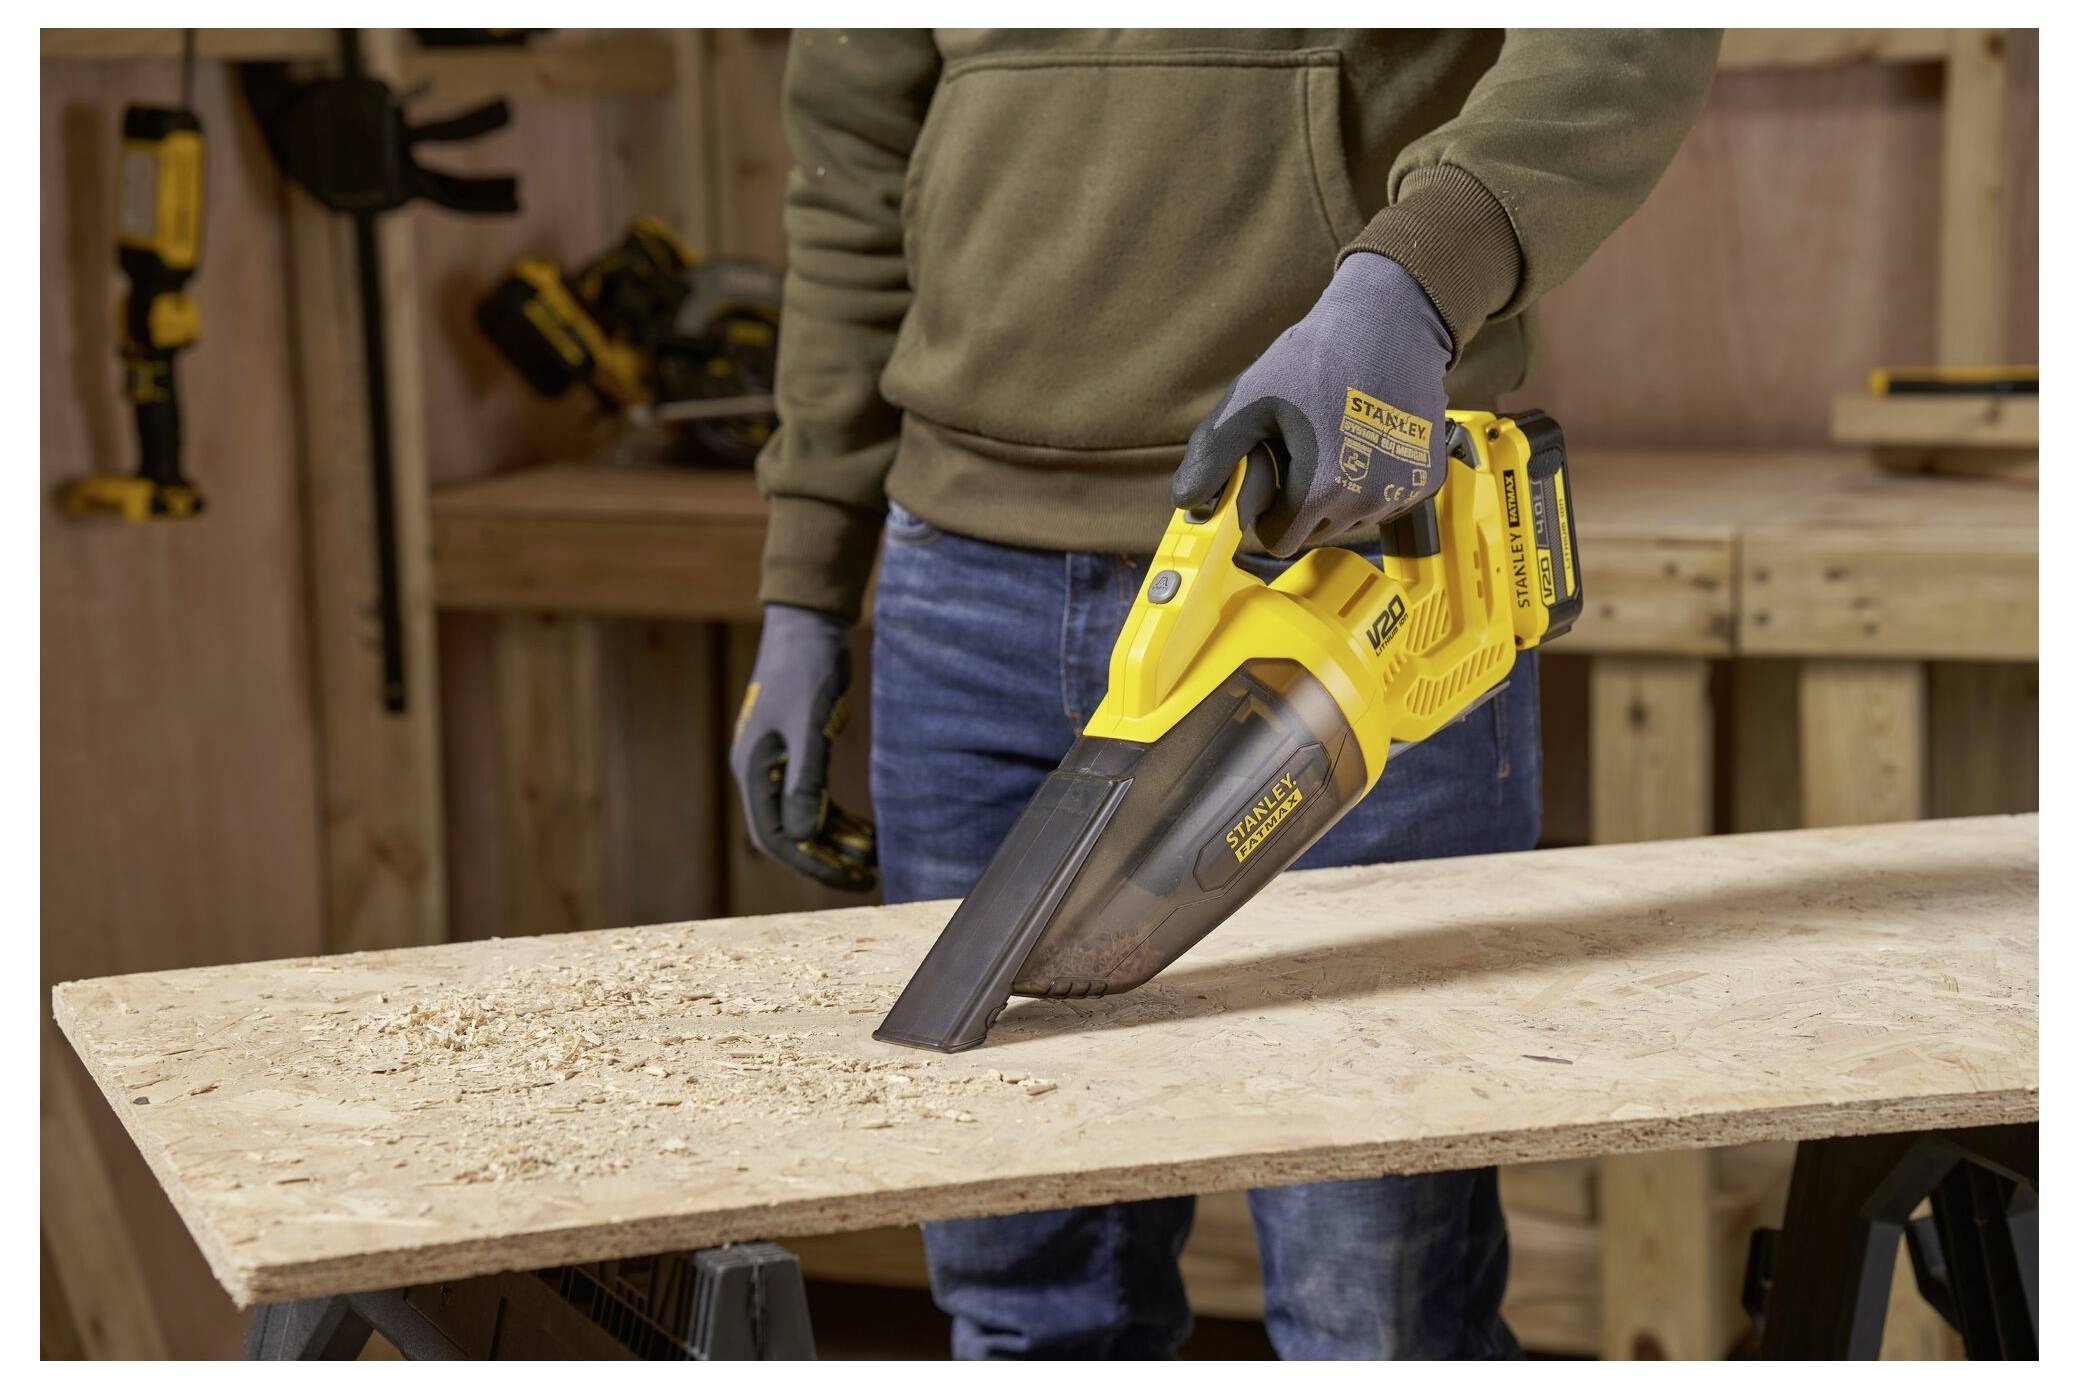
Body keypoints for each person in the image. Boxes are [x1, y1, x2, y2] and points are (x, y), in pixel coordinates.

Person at [729, 29, 1720, 1359]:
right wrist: (805, 579)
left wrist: (1415, 284)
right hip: (956, 587)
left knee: (1377, 1311)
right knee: (1027, 1304)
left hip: (1331, 562)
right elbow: (853, 164)